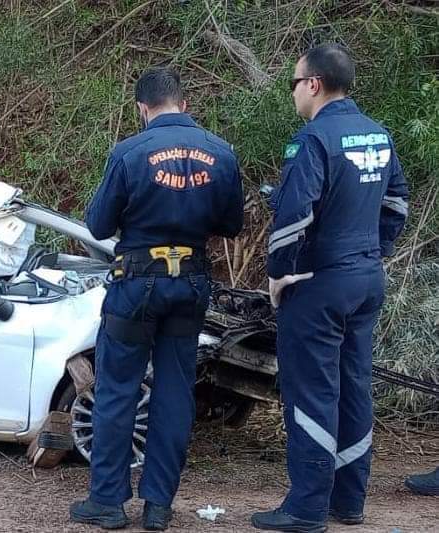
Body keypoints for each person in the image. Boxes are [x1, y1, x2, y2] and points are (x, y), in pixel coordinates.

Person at [70, 67, 244, 530]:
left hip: (135, 285)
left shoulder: (129, 152)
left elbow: (99, 225)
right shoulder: (221, 153)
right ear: (184, 104)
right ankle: (159, 506)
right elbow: (231, 225)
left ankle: (107, 502)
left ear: (142, 108)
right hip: (189, 284)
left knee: (118, 389)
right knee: (173, 392)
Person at [252, 44, 409, 532]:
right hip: (365, 279)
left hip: (319, 283)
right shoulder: (379, 134)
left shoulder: (314, 139)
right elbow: (398, 202)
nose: (294, 92)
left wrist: (280, 272)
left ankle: (305, 508)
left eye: (295, 83)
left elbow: (293, 215)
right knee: (354, 388)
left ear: (314, 84)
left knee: (312, 393)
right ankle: (348, 501)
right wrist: (374, 252)